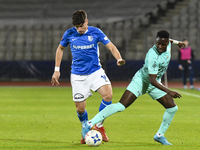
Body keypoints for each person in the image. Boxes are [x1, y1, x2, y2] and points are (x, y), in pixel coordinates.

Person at [82, 30, 185, 145]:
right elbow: (152, 80)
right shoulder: (152, 56)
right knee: (121, 106)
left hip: (155, 83)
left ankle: (159, 135)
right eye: (158, 43)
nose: (160, 46)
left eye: (163, 44)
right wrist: (169, 91)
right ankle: (90, 123)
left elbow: (170, 41)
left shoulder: (168, 44)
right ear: (156, 41)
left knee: (172, 108)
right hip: (142, 81)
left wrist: (178, 43)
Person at [51, 10, 125, 144]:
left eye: (81, 26)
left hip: (95, 71)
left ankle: (99, 125)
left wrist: (119, 58)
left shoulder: (96, 32)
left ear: (87, 21)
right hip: (78, 75)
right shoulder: (69, 33)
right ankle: (85, 126)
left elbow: (111, 46)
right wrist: (57, 69)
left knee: (108, 94)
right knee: (80, 108)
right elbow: (60, 48)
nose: (79, 29)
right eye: (77, 27)